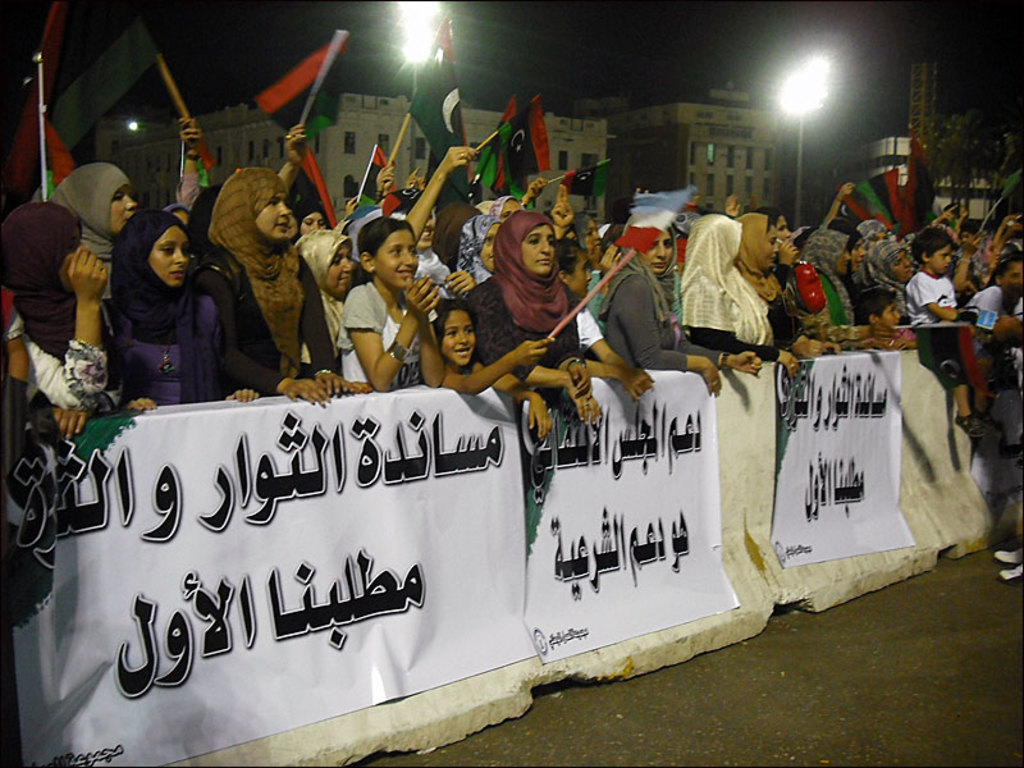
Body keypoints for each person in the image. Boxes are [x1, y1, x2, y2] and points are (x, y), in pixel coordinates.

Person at [197, 167, 361, 404]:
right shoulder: (219, 272)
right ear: (245, 210)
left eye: (285, 202)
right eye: (272, 203)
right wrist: (282, 384)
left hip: (292, 391)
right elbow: (225, 353)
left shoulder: (293, 263)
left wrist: (325, 373)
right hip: (239, 396)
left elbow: (315, 328)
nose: (285, 211)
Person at [465, 210, 601, 423]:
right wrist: (564, 379)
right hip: (499, 421)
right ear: (512, 247)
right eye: (534, 241)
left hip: (557, 419)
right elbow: (502, 364)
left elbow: (567, 349)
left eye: (550, 242)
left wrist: (574, 366)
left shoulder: (562, 294)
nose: (546, 249)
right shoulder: (486, 297)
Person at [109, 209, 248, 409]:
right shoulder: (117, 317)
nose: (181, 259)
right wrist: (124, 409)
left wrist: (236, 397)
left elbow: (221, 374)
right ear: (139, 254)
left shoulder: (202, 310)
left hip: (199, 424)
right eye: (168, 250)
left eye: (185, 250)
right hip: (138, 426)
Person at [596, 226, 758, 396]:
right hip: (632, 400)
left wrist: (727, 359)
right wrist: (702, 363)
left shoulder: (661, 285)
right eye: (651, 245)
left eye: (667, 244)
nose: (662, 254)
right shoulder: (634, 285)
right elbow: (650, 358)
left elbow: (680, 345)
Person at [1, 202, 117, 438]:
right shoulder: (14, 322)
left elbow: (112, 389)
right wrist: (87, 305)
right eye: (71, 246)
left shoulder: (83, 304)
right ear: (38, 257)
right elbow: (80, 397)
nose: (84, 252)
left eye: (80, 241)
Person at [680, 214, 800, 376]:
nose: (739, 247)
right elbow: (713, 341)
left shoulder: (734, 280)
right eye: (734, 240)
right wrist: (773, 354)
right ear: (719, 242)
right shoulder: (702, 284)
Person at [339, 217, 446, 391]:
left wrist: (422, 318)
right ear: (368, 262)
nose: (410, 261)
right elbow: (381, 380)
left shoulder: (414, 298)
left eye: (412, 251)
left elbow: (434, 378)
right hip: (369, 406)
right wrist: (412, 318)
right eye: (396, 252)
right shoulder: (362, 298)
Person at [906, 226, 985, 437]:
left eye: (950, 256)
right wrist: (959, 317)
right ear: (926, 256)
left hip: (949, 328)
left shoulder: (943, 280)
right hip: (930, 332)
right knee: (955, 363)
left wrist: (967, 256)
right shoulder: (920, 281)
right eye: (944, 256)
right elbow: (937, 310)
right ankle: (965, 414)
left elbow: (957, 288)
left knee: (984, 325)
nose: (948, 260)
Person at [434, 300, 553, 439]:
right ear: (437, 338)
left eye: (469, 331)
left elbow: (497, 379)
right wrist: (514, 358)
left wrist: (531, 396)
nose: (463, 340)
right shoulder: (440, 375)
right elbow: (469, 385)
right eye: (452, 333)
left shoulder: (473, 365)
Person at [555, 240, 655, 399]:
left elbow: (606, 354)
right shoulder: (543, 313)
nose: (589, 277)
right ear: (564, 277)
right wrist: (621, 374)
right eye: (584, 269)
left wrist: (629, 373)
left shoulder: (580, 311)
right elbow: (564, 364)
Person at [50, 162, 139, 285]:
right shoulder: (66, 271)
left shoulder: (138, 262)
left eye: (132, 196)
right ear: (85, 206)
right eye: (117, 197)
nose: (132, 204)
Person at [297, 229, 356, 359]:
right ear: (315, 265)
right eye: (336, 261)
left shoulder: (354, 301)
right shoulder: (308, 314)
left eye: (349, 257)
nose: (349, 267)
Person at [858, 239, 915, 322]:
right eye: (898, 262)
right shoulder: (878, 298)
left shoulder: (915, 284)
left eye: (906, 257)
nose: (907, 264)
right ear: (884, 268)